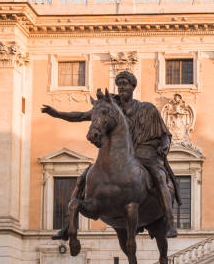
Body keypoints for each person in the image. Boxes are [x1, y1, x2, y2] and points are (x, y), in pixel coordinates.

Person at [42, 70, 179, 238]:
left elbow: (165, 134)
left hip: (144, 153)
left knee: (158, 176)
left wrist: (164, 146)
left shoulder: (147, 109)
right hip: (119, 155)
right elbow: (81, 116)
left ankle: (170, 222)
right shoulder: (110, 108)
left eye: (125, 84)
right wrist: (56, 113)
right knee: (83, 177)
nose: (122, 87)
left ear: (133, 87)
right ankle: (67, 226)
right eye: (119, 84)